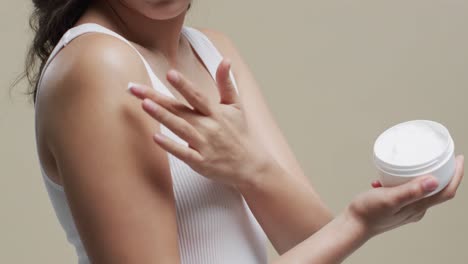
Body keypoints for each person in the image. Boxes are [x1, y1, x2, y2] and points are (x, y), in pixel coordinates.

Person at [26, 0, 464, 263]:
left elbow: (309, 240)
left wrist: (247, 167)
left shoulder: (209, 49)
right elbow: (333, 235)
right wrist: (356, 222)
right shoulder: (97, 66)